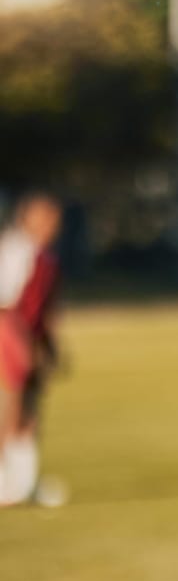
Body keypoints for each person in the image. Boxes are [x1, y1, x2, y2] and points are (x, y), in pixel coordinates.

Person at [0, 193, 63, 508]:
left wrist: (51, 346)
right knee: (10, 408)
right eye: (47, 217)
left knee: (30, 411)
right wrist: (18, 344)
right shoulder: (14, 251)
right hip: (10, 336)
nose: (54, 225)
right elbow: (5, 304)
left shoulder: (46, 257)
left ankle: (23, 483)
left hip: (30, 340)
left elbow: (46, 308)